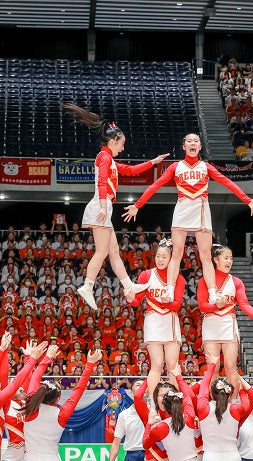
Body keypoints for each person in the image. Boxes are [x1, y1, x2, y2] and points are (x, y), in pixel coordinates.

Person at [123, 133, 253, 303]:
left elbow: (227, 182)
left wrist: (248, 200)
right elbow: (155, 185)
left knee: (205, 255)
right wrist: (137, 205)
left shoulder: (206, 166)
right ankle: (169, 291)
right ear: (184, 146)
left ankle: (213, 294)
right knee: (176, 253)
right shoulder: (176, 166)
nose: (192, 143)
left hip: (201, 209)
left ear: (200, 146)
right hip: (182, 207)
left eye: (196, 141)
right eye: (189, 141)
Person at [64, 103, 169, 311]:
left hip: (104, 207)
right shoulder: (104, 157)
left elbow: (130, 170)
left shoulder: (109, 159)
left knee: (113, 251)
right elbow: (102, 182)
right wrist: (103, 206)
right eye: (122, 144)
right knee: (102, 251)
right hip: (100, 206)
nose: (123, 147)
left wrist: (153, 162)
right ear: (113, 141)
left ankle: (129, 287)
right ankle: (87, 286)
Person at [198, 244, 253, 390]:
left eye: (231, 258)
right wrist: (217, 306)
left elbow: (244, 304)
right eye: (225, 258)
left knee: (231, 367)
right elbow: (202, 306)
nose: (229, 261)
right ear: (215, 259)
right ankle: (212, 402)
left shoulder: (236, 282)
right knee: (212, 368)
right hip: (211, 325)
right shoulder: (205, 280)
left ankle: (233, 401)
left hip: (228, 325)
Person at [128, 238, 186, 400]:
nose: (160, 260)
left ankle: (174, 399)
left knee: (173, 365)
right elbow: (136, 301)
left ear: (171, 258)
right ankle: (154, 402)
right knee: (157, 364)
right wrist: (129, 296)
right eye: (158, 256)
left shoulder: (178, 278)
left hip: (171, 320)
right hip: (153, 321)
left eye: (164, 257)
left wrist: (168, 303)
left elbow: (177, 306)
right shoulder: (147, 275)